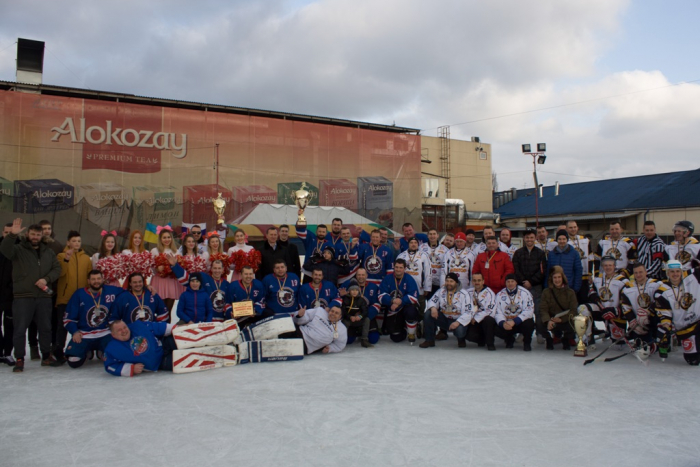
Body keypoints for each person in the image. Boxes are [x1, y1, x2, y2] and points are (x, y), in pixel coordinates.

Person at [1, 219, 62, 372]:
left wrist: (46, 279)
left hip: (43, 296)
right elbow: (4, 250)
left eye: (38, 234)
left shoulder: (47, 251)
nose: (35, 237)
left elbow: (57, 269)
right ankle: (20, 358)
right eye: (33, 234)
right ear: (27, 234)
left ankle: (46, 355)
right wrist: (12, 235)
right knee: (20, 329)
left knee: (45, 328)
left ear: (42, 236)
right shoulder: (18, 249)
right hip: (23, 296)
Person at [63, 270, 123, 368]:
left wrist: (147, 288)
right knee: (74, 362)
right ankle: (87, 351)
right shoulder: (79, 294)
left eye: (99, 278)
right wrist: (75, 332)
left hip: (105, 333)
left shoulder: (111, 291)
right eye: (93, 279)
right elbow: (69, 318)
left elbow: (130, 291)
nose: (96, 281)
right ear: (88, 281)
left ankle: (100, 350)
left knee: (116, 357)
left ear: (103, 279)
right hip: (85, 335)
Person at [54, 230, 93, 363]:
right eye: (74, 241)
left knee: (82, 324)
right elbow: (60, 273)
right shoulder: (60, 256)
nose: (76, 243)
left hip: (82, 298)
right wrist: (67, 259)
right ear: (68, 242)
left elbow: (89, 279)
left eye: (78, 241)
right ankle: (58, 350)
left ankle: (81, 349)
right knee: (62, 325)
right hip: (65, 297)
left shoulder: (86, 258)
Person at [655, 260, 700, 365]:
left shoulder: (693, 276)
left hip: (698, 320)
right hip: (686, 329)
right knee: (693, 360)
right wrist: (665, 327)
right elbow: (665, 315)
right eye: (672, 272)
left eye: (677, 271)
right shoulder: (662, 292)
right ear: (667, 273)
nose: (675, 274)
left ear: (681, 271)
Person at [577, 255, 627, 344]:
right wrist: (593, 295)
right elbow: (591, 290)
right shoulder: (598, 278)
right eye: (605, 265)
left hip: (615, 313)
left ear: (614, 266)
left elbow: (626, 303)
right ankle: (588, 336)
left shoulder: (623, 281)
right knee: (582, 308)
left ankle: (609, 331)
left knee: (618, 345)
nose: (608, 267)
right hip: (601, 309)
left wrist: (615, 311)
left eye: (610, 265)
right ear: (603, 266)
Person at [103, 319, 176, 376]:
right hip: (161, 362)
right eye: (119, 330)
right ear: (113, 335)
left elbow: (157, 327)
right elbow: (110, 366)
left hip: (164, 344)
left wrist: (176, 328)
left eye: (124, 327)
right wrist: (131, 368)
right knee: (182, 359)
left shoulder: (138, 326)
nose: (123, 331)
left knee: (179, 339)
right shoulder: (111, 349)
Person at [419, 272, 473, 348]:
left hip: (458, 321)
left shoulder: (464, 294)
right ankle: (429, 340)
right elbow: (432, 301)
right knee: (428, 313)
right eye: (447, 281)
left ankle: (461, 339)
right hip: (445, 319)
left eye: (451, 281)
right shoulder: (441, 291)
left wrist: (457, 322)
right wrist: (433, 308)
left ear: (456, 282)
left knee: (460, 332)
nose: (449, 283)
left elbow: (468, 312)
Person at [512, 229, 547, 342]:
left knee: (538, 311)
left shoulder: (540, 253)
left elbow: (542, 271)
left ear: (535, 238)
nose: (529, 240)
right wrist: (523, 281)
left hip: (536, 286)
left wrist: (531, 282)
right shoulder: (518, 253)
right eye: (527, 238)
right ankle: (523, 332)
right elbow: (516, 269)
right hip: (522, 287)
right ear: (524, 239)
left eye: (531, 237)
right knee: (522, 310)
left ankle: (540, 333)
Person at [378, 259, 420, 344]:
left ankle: (411, 333)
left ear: (404, 268)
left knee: (411, 312)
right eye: (396, 267)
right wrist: (392, 301)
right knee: (396, 338)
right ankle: (404, 328)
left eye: (401, 267)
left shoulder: (409, 279)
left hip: (406, 307)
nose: (398, 269)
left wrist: (401, 301)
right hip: (393, 309)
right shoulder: (388, 278)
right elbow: (380, 295)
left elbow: (414, 296)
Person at [620, 263, 661, 344]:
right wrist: (632, 321)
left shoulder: (657, 284)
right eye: (636, 273)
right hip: (639, 322)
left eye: (640, 272)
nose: (638, 275)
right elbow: (626, 307)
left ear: (646, 272)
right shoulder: (627, 289)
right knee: (641, 346)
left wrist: (648, 312)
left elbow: (660, 301)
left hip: (654, 320)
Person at [539, 266, 577, 350]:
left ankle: (566, 338)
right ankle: (549, 338)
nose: (557, 280)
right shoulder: (546, 292)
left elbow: (573, 310)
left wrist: (562, 319)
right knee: (539, 322)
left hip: (565, 319)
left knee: (575, 322)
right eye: (554, 277)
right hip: (551, 319)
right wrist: (548, 320)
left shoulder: (570, 292)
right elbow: (543, 308)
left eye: (559, 277)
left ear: (563, 278)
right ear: (551, 279)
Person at [494, 274, 535, 351]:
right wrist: (502, 323)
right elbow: (497, 312)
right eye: (508, 281)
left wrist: (515, 321)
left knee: (529, 322)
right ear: (505, 283)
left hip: (520, 322)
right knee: (494, 326)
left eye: (512, 281)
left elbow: (529, 310)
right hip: (507, 322)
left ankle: (527, 343)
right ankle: (509, 339)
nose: (510, 283)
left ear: (516, 282)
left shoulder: (525, 293)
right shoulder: (499, 295)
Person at [150, 226, 183, 312]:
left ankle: (168, 325)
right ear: (160, 239)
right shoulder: (155, 251)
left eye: (168, 237)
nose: (166, 239)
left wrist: (173, 268)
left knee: (168, 310)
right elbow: (151, 268)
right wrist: (157, 269)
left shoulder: (176, 252)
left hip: (171, 281)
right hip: (159, 281)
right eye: (164, 237)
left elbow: (180, 268)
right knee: (160, 310)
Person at [397, 237, 431, 315]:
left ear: (418, 244)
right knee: (407, 307)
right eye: (411, 242)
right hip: (405, 288)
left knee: (420, 309)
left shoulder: (423, 256)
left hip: (419, 288)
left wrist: (427, 287)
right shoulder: (401, 255)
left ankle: (420, 323)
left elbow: (428, 272)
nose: (413, 244)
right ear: (408, 244)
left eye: (415, 243)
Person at [347, 268, 381, 344]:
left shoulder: (373, 287)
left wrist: (364, 315)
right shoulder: (348, 285)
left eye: (363, 275)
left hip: (367, 317)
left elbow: (377, 305)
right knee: (349, 340)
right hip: (353, 317)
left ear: (366, 275)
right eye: (359, 275)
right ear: (356, 276)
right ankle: (357, 332)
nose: (361, 277)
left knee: (373, 339)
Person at [467, 272, 498, 350]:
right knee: (468, 335)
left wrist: (476, 318)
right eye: (474, 280)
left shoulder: (490, 293)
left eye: (479, 280)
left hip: (485, 320)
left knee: (488, 320)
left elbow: (490, 310)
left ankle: (490, 343)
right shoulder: (468, 292)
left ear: (483, 281)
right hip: (472, 319)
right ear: (472, 282)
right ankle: (481, 339)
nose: (477, 282)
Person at [546, 229, 582, 294]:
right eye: (559, 239)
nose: (562, 241)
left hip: (569, 288)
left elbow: (578, 271)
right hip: (554, 288)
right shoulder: (551, 254)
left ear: (567, 240)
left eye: (564, 239)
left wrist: (576, 288)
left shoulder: (574, 253)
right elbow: (548, 271)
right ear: (556, 240)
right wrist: (547, 286)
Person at [1, 222, 17, 365]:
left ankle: (7, 352)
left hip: (11, 294)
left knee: (10, 324)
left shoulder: (18, 248)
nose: (7, 235)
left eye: (10, 233)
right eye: (6, 232)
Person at [419, 229, 451, 298]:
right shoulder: (421, 247)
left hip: (439, 282)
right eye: (430, 234)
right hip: (426, 282)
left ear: (437, 236)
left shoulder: (445, 249)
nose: (432, 236)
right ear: (427, 236)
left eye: (434, 234)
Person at [566, 220, 592, 304]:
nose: (573, 229)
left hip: (584, 275)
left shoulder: (585, 240)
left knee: (584, 299)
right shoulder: (564, 241)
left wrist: (590, 274)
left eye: (574, 227)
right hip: (571, 276)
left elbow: (590, 258)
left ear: (577, 228)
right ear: (566, 229)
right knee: (572, 300)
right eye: (570, 227)